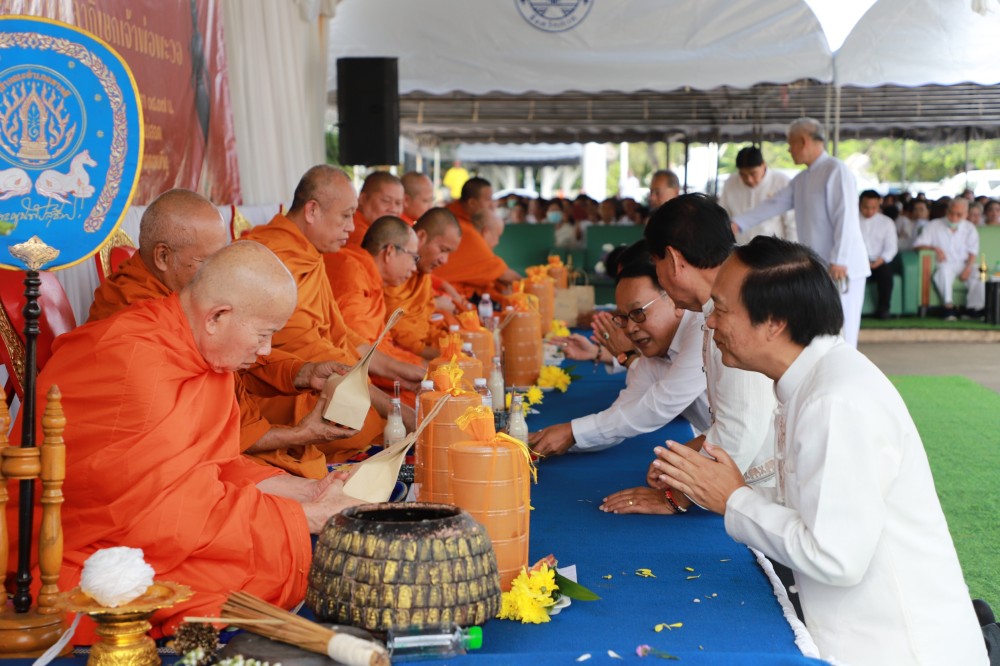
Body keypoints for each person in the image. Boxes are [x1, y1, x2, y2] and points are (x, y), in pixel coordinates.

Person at [651, 236, 988, 665]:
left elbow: (835, 556)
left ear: (774, 323)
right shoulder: (815, 380)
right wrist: (730, 489)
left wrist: (734, 499)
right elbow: (813, 501)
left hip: (901, 650)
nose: (711, 323)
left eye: (722, 309)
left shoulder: (835, 400)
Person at [11, 241, 365, 643]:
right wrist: (308, 516)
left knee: (271, 552)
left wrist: (308, 491)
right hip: (82, 541)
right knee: (259, 562)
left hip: (161, 519)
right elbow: (158, 517)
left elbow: (218, 464)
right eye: (264, 334)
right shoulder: (134, 362)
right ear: (217, 316)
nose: (266, 350)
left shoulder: (201, 353)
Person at [88, 189, 356, 459]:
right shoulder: (131, 316)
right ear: (163, 257)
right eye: (207, 262)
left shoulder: (193, 299)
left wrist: (303, 373)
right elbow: (198, 428)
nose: (218, 272)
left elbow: (237, 356)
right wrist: (298, 435)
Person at [243, 165, 424, 474]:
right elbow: (305, 348)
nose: (352, 228)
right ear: (312, 210)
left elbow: (340, 334)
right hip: (275, 387)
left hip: (320, 372)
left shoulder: (310, 256)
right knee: (363, 422)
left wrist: (402, 370)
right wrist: (393, 408)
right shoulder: (272, 257)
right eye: (345, 216)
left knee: (376, 417)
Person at [602, 194, 775, 515]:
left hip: (776, 501)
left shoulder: (737, 311)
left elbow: (741, 430)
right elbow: (733, 416)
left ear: (673, 260)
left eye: (655, 264)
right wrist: (685, 457)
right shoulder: (717, 306)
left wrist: (677, 497)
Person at [529, 251, 710, 489]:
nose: (631, 328)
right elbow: (622, 417)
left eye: (638, 313)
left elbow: (659, 406)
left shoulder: (703, 332)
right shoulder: (653, 355)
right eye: (623, 318)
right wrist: (548, 439)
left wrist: (572, 432)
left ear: (674, 299)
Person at [732, 117, 870, 347]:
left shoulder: (835, 169)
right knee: (822, 330)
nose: (789, 149)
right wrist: (738, 222)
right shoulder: (802, 179)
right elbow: (774, 204)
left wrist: (840, 259)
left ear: (804, 141)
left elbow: (845, 217)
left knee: (844, 329)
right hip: (820, 267)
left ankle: (846, 370)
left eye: (790, 143)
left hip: (842, 267)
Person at [324, 215, 427, 404]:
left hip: (374, 371)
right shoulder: (351, 272)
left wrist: (417, 366)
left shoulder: (370, 278)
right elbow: (353, 348)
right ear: (389, 252)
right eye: (413, 257)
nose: (414, 268)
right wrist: (414, 367)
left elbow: (377, 345)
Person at [384, 207, 463, 360]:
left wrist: (447, 343)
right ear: (421, 236)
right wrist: (434, 354)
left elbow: (424, 321)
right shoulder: (393, 271)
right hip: (394, 357)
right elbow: (395, 327)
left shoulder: (423, 275)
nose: (444, 260)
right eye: (443, 249)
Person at [435, 178, 521, 299]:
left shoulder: (454, 219)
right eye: (488, 200)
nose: (492, 205)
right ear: (472, 203)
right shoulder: (463, 230)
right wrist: (532, 282)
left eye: (493, 199)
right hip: (442, 295)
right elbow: (502, 274)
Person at [913, 197, 985, 320]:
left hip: (963, 263)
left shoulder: (970, 228)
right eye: (951, 213)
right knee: (943, 272)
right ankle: (948, 307)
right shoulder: (933, 225)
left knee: (979, 272)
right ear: (947, 211)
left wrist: (968, 268)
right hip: (943, 263)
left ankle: (974, 309)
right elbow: (917, 245)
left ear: (966, 214)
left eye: (959, 214)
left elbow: (973, 252)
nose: (954, 217)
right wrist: (934, 248)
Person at [719, 146, 796, 244]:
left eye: (753, 173)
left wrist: (791, 251)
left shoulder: (781, 181)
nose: (749, 180)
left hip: (773, 249)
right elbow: (723, 216)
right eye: (743, 175)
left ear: (764, 164)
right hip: (740, 247)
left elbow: (792, 223)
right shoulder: (731, 182)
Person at [858, 189, 898, 320]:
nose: (869, 211)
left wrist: (879, 261)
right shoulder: (852, 220)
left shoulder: (887, 222)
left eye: (873, 208)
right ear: (859, 204)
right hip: (858, 261)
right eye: (866, 207)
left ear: (879, 205)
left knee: (886, 276)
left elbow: (892, 247)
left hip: (879, 261)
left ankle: (883, 310)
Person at [345, 171, 404, 246]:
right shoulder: (356, 232)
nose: (394, 209)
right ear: (363, 198)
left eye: (398, 203)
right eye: (386, 201)